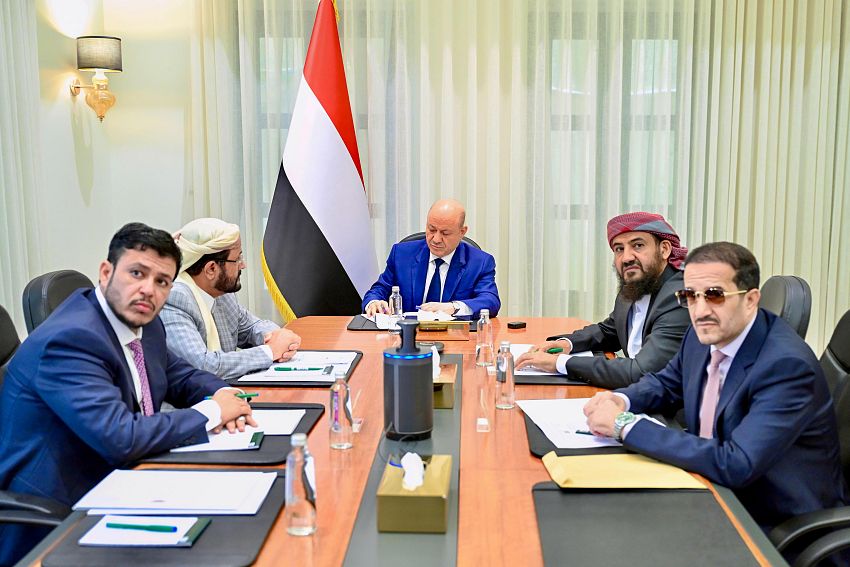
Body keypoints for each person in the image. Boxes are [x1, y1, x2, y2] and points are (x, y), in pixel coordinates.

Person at [0, 223, 257, 565]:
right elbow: (121, 437)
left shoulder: (144, 322)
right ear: (106, 273)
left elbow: (179, 376)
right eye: (137, 273)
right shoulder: (70, 340)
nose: (148, 290)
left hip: (127, 478)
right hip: (60, 515)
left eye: (162, 281)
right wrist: (213, 412)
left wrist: (227, 394)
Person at [584, 242, 848, 535]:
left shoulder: (787, 367)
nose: (700, 310)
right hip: (708, 485)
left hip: (771, 521)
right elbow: (666, 382)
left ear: (751, 300)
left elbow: (737, 463)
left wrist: (623, 425)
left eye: (714, 295)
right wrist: (620, 399)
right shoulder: (703, 334)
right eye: (690, 296)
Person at [516, 212, 691, 389]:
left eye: (638, 245)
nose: (627, 258)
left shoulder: (680, 297)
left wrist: (560, 363)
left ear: (664, 249)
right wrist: (565, 344)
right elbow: (610, 330)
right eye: (619, 249)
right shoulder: (637, 282)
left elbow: (641, 372)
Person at [160, 218, 301, 381]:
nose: (243, 265)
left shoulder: (221, 292)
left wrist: (276, 336)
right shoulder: (174, 298)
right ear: (211, 269)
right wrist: (270, 351)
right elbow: (204, 366)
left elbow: (250, 327)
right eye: (237, 259)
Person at [362, 199, 500, 318]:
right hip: (408, 335)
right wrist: (373, 302)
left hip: (454, 335)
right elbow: (379, 289)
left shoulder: (480, 262)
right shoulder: (401, 255)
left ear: (462, 232)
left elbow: (490, 300)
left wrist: (453, 307)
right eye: (432, 230)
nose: (436, 239)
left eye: (445, 233)